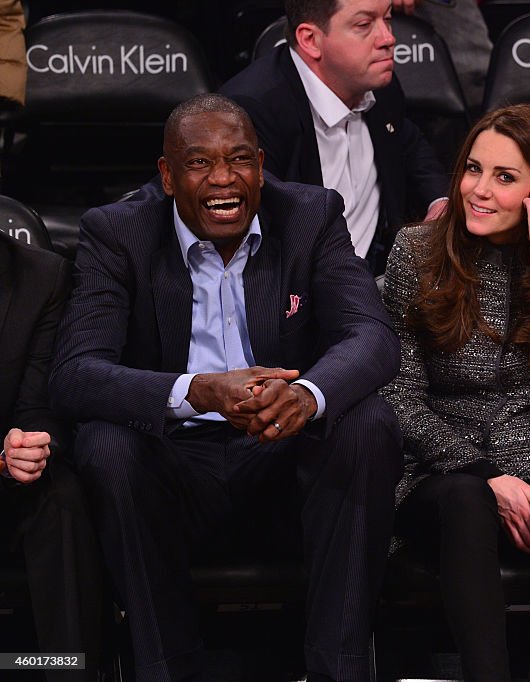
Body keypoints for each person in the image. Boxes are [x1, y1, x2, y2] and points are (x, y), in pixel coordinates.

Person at [50, 93, 402, 682]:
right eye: (199, 163)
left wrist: (306, 395)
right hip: (174, 469)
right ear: (166, 176)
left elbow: (371, 335)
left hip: (282, 459)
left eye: (239, 159)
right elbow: (77, 372)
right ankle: (165, 669)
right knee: (106, 443)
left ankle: (337, 670)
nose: (223, 179)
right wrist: (199, 391)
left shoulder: (310, 217)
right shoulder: (117, 233)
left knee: (367, 422)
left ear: (261, 167)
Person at [380, 104, 530, 682]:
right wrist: (484, 471)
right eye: (473, 170)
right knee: (466, 501)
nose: (479, 191)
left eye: (505, 178)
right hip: (443, 468)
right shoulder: (417, 253)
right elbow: (396, 397)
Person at [219, 0, 449, 274]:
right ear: (311, 39)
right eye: (364, 25)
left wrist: (440, 202)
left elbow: (408, 141)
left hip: (380, 276)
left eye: (387, 19)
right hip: (299, 291)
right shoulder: (249, 114)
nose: (388, 38)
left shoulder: (378, 83)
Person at [0, 229, 104, 682]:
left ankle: (70, 673)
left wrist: (24, 448)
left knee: (59, 495)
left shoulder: (41, 277)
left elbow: (39, 406)